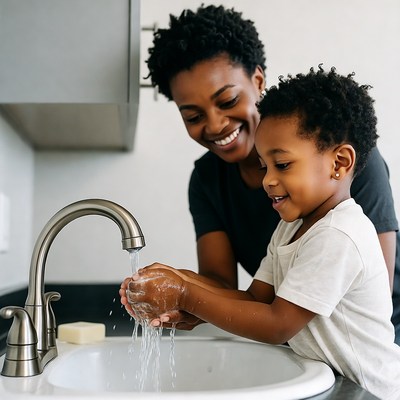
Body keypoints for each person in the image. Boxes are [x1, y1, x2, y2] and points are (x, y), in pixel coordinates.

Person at [121, 4, 400, 342]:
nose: (215, 124)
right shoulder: (254, 207)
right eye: (193, 117)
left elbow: (289, 317)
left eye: (226, 101)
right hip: (306, 347)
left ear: (257, 80)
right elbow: (242, 295)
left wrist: (186, 294)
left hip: (365, 351)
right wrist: (175, 283)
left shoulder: (345, 175)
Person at [123, 66, 400, 400]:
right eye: (263, 165)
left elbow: (277, 323)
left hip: (371, 391)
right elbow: (255, 300)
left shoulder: (339, 235)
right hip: (335, 386)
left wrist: (185, 295)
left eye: (281, 165)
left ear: (339, 162)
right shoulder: (290, 228)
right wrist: (177, 281)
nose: (268, 180)